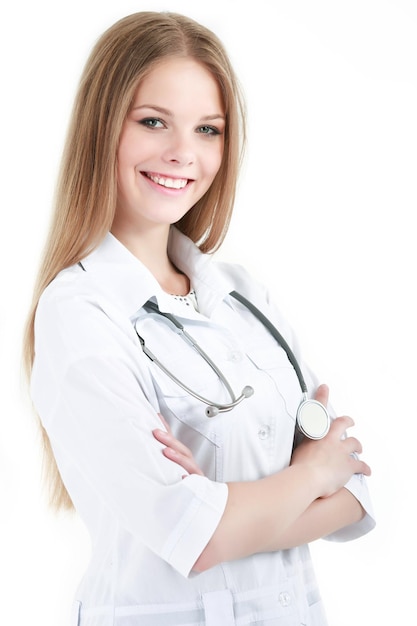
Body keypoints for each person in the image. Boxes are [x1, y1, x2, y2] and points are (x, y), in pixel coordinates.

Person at [23, 11, 375, 626]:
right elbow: (200, 536)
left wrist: (231, 506)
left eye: (208, 129)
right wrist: (307, 472)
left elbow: (358, 493)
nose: (184, 154)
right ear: (101, 128)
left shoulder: (241, 294)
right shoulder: (78, 315)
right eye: (154, 121)